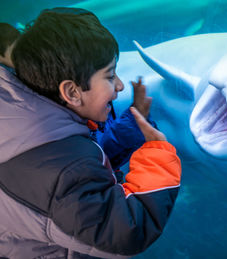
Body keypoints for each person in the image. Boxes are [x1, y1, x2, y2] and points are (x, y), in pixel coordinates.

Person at [0, 7, 181, 259]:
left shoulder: (31, 125)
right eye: (109, 76)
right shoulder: (59, 168)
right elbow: (126, 231)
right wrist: (157, 154)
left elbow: (80, 165)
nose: (119, 85)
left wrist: (133, 126)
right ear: (72, 93)